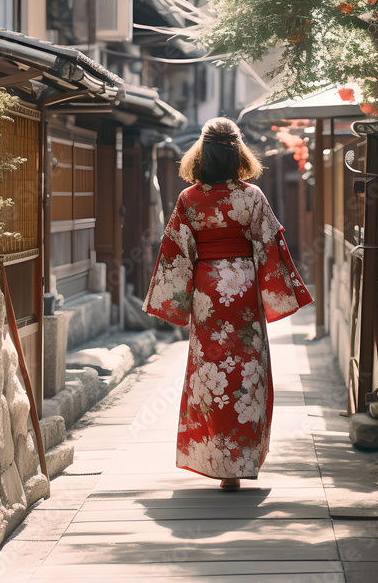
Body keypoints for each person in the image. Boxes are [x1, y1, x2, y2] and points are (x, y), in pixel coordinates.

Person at [143, 117, 313, 491]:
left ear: (201, 154)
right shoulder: (251, 196)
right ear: (238, 153)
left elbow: (175, 253)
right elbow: (271, 246)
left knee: (210, 375)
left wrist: (178, 301)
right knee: (246, 374)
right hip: (244, 288)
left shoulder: (189, 199)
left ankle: (218, 460)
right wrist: (277, 291)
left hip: (208, 291)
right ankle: (240, 461)